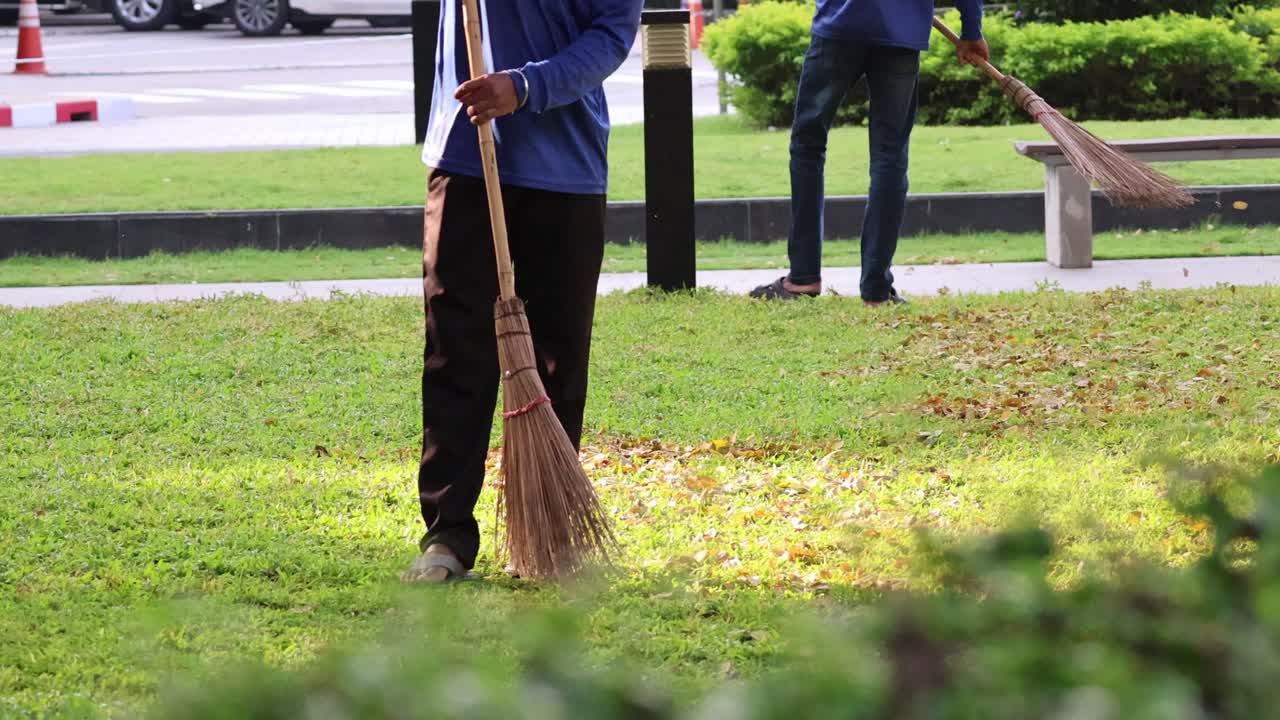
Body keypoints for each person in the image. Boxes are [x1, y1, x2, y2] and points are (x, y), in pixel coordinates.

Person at [402, 0, 644, 584]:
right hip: (465, 158)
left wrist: (527, 85)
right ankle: (448, 532)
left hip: (565, 164)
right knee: (456, 347)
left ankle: (549, 529)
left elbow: (611, 33)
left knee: (556, 355)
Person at [751, 1, 989, 304]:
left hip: (840, 24)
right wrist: (971, 28)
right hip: (900, 33)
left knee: (807, 146)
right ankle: (876, 290)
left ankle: (803, 277)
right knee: (890, 158)